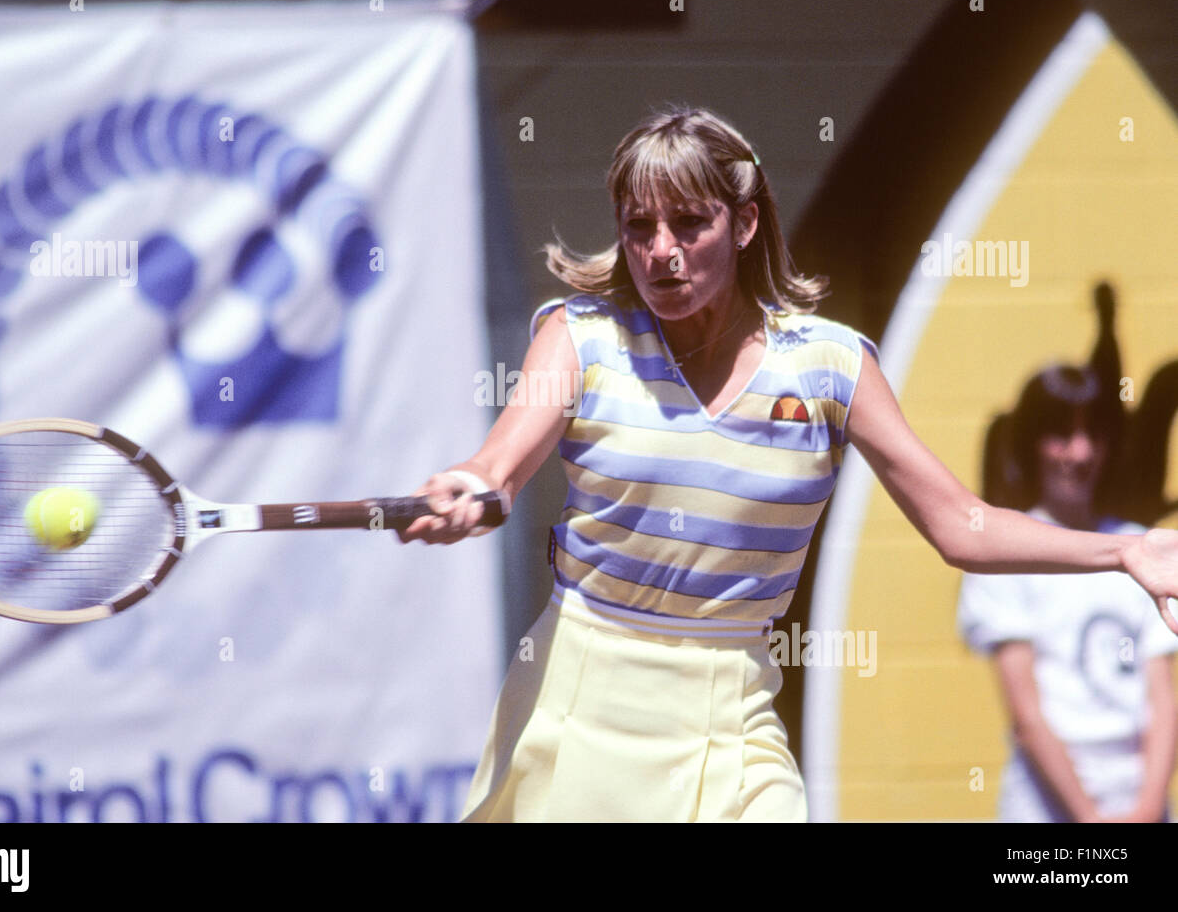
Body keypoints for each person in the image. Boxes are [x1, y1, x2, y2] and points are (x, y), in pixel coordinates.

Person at [395, 105, 1178, 822]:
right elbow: (498, 464)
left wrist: (1123, 550)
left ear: (742, 223)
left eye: (689, 222)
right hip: (582, 700)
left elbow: (960, 526)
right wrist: (470, 487)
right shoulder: (580, 335)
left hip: (735, 712)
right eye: (640, 226)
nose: (661, 250)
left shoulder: (831, 365)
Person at [957, 365, 1178, 822]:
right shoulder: (1005, 553)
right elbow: (1027, 716)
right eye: (1060, 434)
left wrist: (1147, 809)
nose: (1080, 453)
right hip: (1046, 807)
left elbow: (1164, 697)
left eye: (1092, 435)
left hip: (1141, 802)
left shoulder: (1143, 548)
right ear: (1030, 444)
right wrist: (1090, 820)